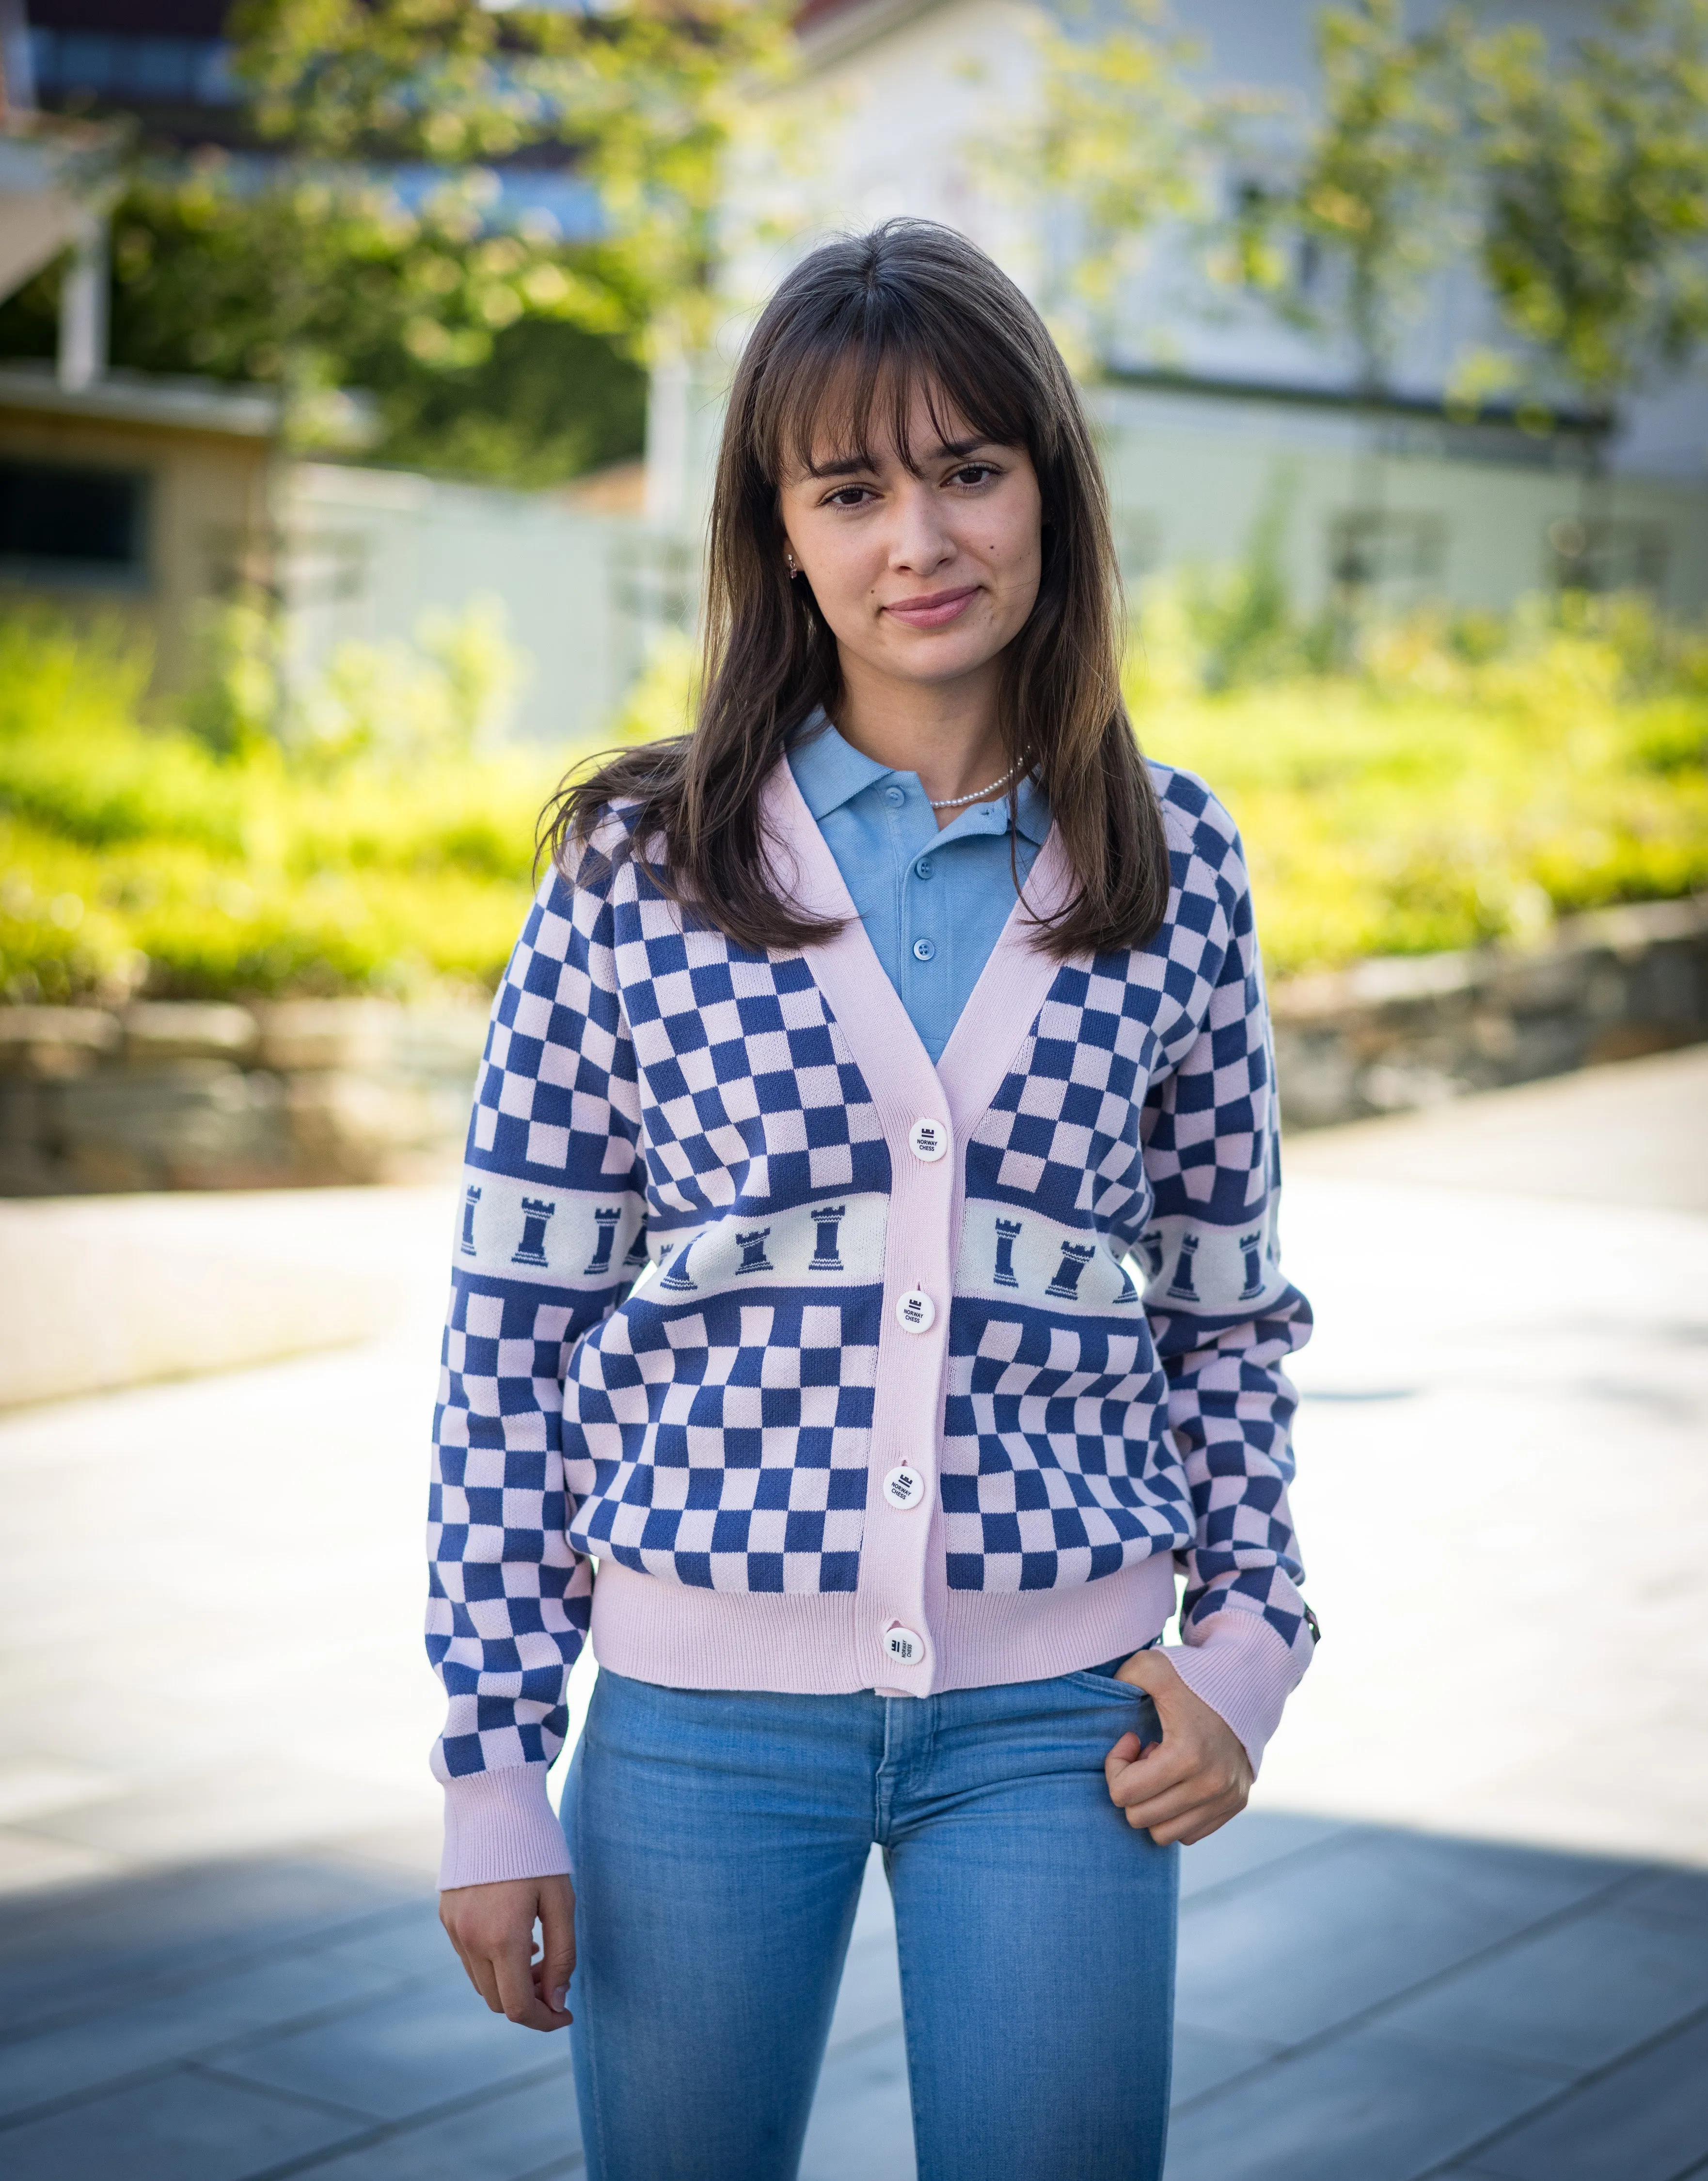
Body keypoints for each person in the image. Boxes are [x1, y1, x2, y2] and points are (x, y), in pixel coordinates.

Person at [429, 219, 1316, 2181]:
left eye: (966, 472)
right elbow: (515, 1331)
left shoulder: (1173, 858)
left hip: (1061, 1723)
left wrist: (1250, 1633)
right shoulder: (634, 866)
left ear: (1048, 496)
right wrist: (494, 1766)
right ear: (780, 532)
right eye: (851, 489)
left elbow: (1224, 1304)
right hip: (689, 1718)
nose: (916, 539)